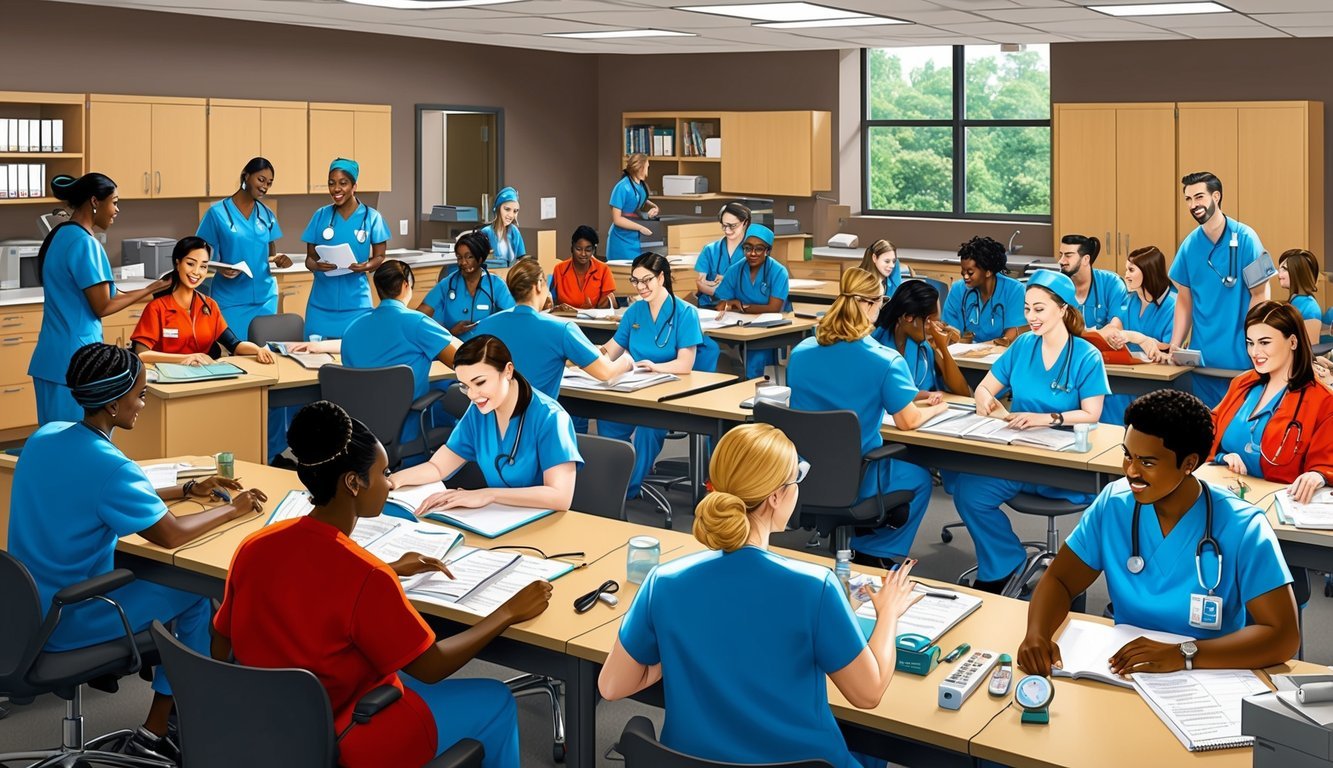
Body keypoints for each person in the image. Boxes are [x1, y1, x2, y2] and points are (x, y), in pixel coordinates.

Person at [214, 400, 550, 768]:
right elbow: (430, 667)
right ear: (353, 483)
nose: (390, 484)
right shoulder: (366, 576)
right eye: (384, 473)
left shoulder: (255, 546)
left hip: (271, 729)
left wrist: (390, 568)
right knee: (497, 700)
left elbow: (223, 641)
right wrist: (508, 612)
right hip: (350, 732)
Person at [598, 423, 923, 768]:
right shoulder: (816, 587)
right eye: (796, 481)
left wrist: (671, 656)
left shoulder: (662, 581)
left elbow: (613, 686)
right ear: (776, 496)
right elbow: (868, 693)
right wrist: (888, 613)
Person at [9, 342, 265, 762]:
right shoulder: (110, 465)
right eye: (141, 394)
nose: (143, 403)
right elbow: (171, 534)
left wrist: (185, 488)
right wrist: (233, 509)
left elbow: (97, 488)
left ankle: (172, 717)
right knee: (197, 593)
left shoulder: (45, 437)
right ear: (113, 403)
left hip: (27, 610)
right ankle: (161, 726)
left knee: (171, 589)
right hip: (71, 615)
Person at [1018, 389, 1299, 676]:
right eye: (1128, 456)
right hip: (1127, 670)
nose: (1131, 471)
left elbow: (1283, 636)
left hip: (1209, 674)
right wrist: (1037, 634)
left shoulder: (1243, 526)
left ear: (1189, 464)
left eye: (1147, 462)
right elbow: (1060, 580)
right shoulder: (1114, 504)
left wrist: (1185, 655)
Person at [952, 270, 1110, 593]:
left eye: (1039, 309)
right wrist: (987, 402)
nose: (1031, 317)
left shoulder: (1086, 355)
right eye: (1027, 309)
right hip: (1020, 456)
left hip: (1063, 466)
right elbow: (985, 388)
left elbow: (1092, 414)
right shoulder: (1023, 345)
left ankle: (1058, 576)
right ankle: (1006, 560)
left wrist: (1047, 419)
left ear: (1063, 309)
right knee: (969, 491)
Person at [789, 268, 947, 567]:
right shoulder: (884, 360)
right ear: (872, 304)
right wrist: (939, 406)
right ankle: (877, 553)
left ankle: (858, 544)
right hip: (859, 475)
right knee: (919, 479)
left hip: (803, 474)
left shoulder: (800, 353)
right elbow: (908, 421)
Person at [28, 173, 168, 424]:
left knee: (51, 442)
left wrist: (154, 287)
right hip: (76, 364)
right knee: (76, 444)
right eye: (114, 202)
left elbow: (110, 295)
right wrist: (151, 290)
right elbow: (102, 305)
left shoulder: (60, 235)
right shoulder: (86, 243)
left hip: (50, 358)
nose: (116, 210)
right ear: (95, 201)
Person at [389, 335, 582, 513]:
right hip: (495, 517)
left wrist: (488, 494)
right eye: (465, 386)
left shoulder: (551, 418)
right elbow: (438, 467)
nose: (472, 395)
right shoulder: (478, 412)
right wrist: (393, 481)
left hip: (541, 521)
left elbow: (560, 497)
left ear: (508, 371)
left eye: (480, 383)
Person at [298, 260, 461, 454]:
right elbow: (460, 361)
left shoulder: (353, 328)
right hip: (405, 427)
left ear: (378, 289)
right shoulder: (416, 322)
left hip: (358, 434)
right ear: (406, 286)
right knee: (450, 390)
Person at [598, 253, 704, 500]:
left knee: (648, 430)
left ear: (662, 278)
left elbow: (685, 364)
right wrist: (587, 356)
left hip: (668, 392)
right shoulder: (635, 312)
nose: (641, 287)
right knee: (607, 421)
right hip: (633, 388)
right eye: (635, 281)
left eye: (647, 280)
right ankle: (608, 482)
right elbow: (611, 349)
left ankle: (625, 491)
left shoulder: (686, 313)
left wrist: (657, 368)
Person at [1211, 301, 1333, 504]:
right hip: (1228, 498)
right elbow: (1209, 430)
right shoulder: (1242, 384)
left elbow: (1326, 463)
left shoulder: (1322, 401)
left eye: (1264, 342)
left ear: (1293, 342)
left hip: (1278, 506)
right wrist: (1221, 457)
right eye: (1250, 342)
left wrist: (1319, 476)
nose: (1255, 352)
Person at [1169, 171, 1269, 407]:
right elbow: (1184, 299)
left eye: (1199, 197)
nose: (1194, 205)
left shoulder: (1247, 238)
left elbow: (1261, 293)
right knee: (1206, 432)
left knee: (1239, 433)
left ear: (1216, 196)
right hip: (1203, 363)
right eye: (1188, 199)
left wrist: (1254, 342)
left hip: (1241, 362)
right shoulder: (1189, 246)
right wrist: (1176, 343)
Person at [474, 257, 630, 401]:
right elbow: (605, 373)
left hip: (491, 419)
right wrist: (627, 361)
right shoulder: (562, 329)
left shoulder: (485, 326)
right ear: (539, 285)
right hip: (537, 422)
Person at [130, 236, 276, 366]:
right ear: (177, 263)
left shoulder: (209, 305)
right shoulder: (157, 308)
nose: (196, 272)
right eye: (191, 264)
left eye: (203, 266)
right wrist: (186, 358)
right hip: (167, 380)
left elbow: (234, 344)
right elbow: (142, 354)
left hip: (203, 375)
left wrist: (258, 350)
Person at [195, 156, 292, 339]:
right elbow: (198, 256)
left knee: (264, 354)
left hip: (265, 298)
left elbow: (269, 254)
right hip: (230, 299)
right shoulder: (217, 213)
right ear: (246, 176)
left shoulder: (266, 214)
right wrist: (219, 268)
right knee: (236, 353)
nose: (265, 186)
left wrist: (278, 259)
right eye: (261, 180)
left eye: (269, 183)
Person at [301, 158, 391, 340]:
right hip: (320, 307)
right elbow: (309, 259)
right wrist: (317, 266)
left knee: (357, 357)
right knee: (312, 357)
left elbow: (380, 256)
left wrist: (365, 266)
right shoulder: (320, 216)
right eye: (331, 183)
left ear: (354, 185)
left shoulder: (372, 218)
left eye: (343, 183)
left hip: (357, 305)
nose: (336, 189)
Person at [1097, 245, 1177, 424]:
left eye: (1131, 270)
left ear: (1148, 271)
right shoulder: (1130, 300)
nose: (1126, 275)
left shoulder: (1173, 305)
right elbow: (1114, 326)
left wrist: (1135, 337)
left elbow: (1167, 349)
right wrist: (1109, 335)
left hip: (1154, 384)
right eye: (1126, 269)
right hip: (1127, 375)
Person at [713, 223, 792, 379]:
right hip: (740, 328)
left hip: (768, 328)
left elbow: (774, 307)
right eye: (748, 248)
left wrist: (740, 306)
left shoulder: (778, 271)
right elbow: (720, 304)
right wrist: (729, 304)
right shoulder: (735, 270)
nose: (752, 253)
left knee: (757, 357)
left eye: (759, 249)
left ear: (768, 251)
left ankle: (752, 389)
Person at [871, 279, 971, 402]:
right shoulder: (877, 346)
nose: (934, 328)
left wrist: (943, 349)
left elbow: (963, 392)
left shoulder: (924, 346)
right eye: (929, 321)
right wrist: (925, 395)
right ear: (908, 317)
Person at [418, 231, 514, 341]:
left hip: (486, 349)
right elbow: (419, 316)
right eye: (459, 257)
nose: (463, 262)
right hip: (454, 347)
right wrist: (451, 333)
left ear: (480, 258)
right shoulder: (448, 284)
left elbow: (513, 317)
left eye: (469, 257)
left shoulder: (495, 285)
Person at [940, 235, 1026, 346]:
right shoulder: (958, 290)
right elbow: (949, 332)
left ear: (988, 272)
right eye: (963, 272)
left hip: (1000, 358)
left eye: (970, 273)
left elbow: (1010, 337)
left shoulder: (1014, 291)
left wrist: (979, 348)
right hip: (961, 358)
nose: (965, 277)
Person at [1057, 234, 1126, 330]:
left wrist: (1087, 337)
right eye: (1061, 255)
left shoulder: (1112, 283)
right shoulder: (1055, 285)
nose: (1061, 261)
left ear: (1086, 259)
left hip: (1101, 344)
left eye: (1068, 255)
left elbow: (1116, 326)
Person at [693, 202, 750, 309]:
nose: (727, 230)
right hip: (710, 307)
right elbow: (701, 284)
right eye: (724, 226)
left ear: (745, 223)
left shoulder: (753, 251)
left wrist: (721, 285)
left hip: (739, 307)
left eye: (732, 226)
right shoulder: (710, 250)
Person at [607, 153, 658, 263]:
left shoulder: (639, 185)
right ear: (640, 167)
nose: (647, 171)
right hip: (621, 239)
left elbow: (638, 198)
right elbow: (617, 219)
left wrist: (655, 207)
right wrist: (640, 228)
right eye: (646, 167)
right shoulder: (621, 187)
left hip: (635, 239)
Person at [550, 225, 616, 311]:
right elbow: (552, 301)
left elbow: (609, 304)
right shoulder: (559, 269)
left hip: (593, 321)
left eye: (588, 250)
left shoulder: (603, 269)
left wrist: (592, 309)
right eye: (578, 249)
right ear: (572, 248)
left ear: (593, 250)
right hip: (565, 319)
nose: (583, 254)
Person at [1278, 249, 1323, 345]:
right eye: (1279, 268)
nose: (1279, 273)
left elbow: (1312, 347)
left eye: (1284, 269)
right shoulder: (1293, 302)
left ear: (1299, 271)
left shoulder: (1309, 306)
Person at [480, 186, 525, 268]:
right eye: (507, 209)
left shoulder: (514, 231)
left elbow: (522, 257)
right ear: (497, 208)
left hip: (510, 276)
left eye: (515, 211)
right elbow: (478, 260)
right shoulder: (486, 232)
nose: (511, 215)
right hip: (491, 276)